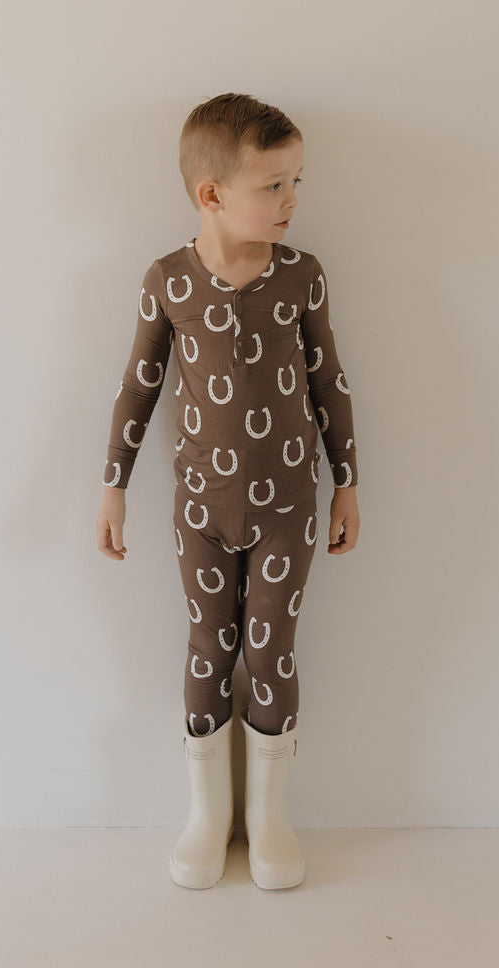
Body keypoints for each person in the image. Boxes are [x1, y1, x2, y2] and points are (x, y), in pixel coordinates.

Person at [96, 92, 360, 889]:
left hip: (288, 509)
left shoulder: (302, 276)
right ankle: (208, 817)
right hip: (202, 512)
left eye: (296, 181)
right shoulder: (169, 281)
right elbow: (139, 387)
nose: (291, 200)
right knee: (210, 648)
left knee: (270, 650)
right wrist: (113, 486)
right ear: (211, 194)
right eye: (273, 185)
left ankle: (268, 818)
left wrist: (346, 484)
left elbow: (329, 382)